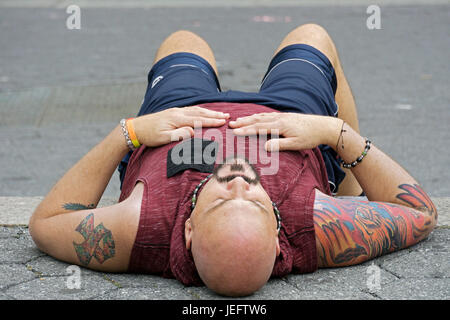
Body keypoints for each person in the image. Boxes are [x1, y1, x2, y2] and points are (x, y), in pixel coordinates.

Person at [29, 24, 437, 297]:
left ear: (188, 228)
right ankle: (345, 184)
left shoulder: (140, 227)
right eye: (258, 202)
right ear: (279, 227)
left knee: (183, 40)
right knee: (313, 35)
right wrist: (334, 134)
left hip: (181, 113)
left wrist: (130, 133)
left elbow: (46, 223)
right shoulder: (314, 225)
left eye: (223, 200)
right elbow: (419, 212)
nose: (240, 182)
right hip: (289, 115)